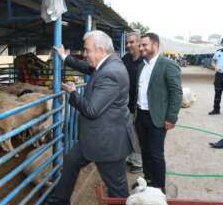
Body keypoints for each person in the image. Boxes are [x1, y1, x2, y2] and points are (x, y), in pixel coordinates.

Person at [45, 30, 134, 205]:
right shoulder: (108, 63)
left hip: (108, 143)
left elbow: (92, 110)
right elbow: (88, 68)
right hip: (95, 136)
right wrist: (65, 57)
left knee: (117, 190)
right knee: (71, 161)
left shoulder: (112, 72)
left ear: (100, 50)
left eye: (87, 50)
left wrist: (72, 93)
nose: (84, 55)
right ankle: (59, 200)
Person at [136, 33, 182, 193]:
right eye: (140, 45)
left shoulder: (167, 64)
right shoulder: (142, 65)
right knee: (145, 150)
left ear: (155, 45)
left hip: (158, 117)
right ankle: (147, 181)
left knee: (156, 153)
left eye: (144, 45)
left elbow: (176, 92)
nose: (141, 48)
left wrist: (171, 118)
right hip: (141, 115)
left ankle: (159, 188)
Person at [122, 31, 143, 174]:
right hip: (125, 103)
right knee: (126, 132)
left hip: (140, 104)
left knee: (136, 133)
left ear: (139, 43)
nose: (129, 45)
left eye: (132, 42)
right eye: (127, 42)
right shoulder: (125, 58)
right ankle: (129, 158)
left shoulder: (145, 61)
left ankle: (138, 162)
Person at [208, 47, 223, 115]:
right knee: (217, 92)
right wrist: (215, 67)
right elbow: (213, 62)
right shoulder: (218, 52)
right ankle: (216, 109)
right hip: (219, 75)